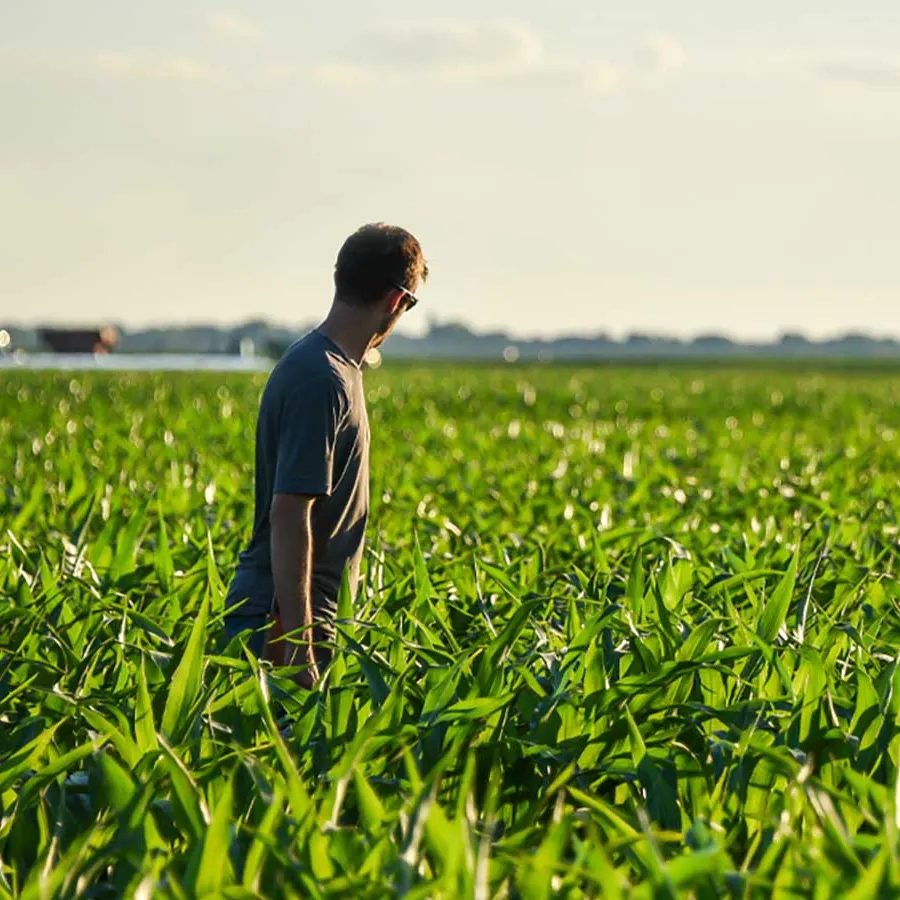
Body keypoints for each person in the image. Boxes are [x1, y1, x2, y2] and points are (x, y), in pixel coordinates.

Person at [223, 223, 428, 688]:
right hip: (280, 624)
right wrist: (300, 647)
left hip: (305, 621)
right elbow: (290, 513)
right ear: (396, 301)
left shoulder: (335, 369)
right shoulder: (322, 378)